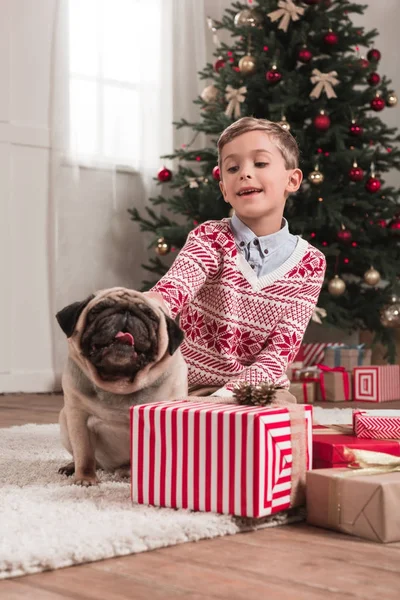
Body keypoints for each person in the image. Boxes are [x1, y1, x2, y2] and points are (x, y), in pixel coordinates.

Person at [148, 117, 326, 399]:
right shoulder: (209, 238)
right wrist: (144, 308)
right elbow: (174, 289)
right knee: (166, 420)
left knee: (284, 414)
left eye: (260, 163)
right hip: (190, 385)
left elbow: (279, 353)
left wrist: (227, 398)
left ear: (292, 180)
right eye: (232, 168)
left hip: (258, 388)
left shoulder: (311, 264)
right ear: (225, 190)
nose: (244, 173)